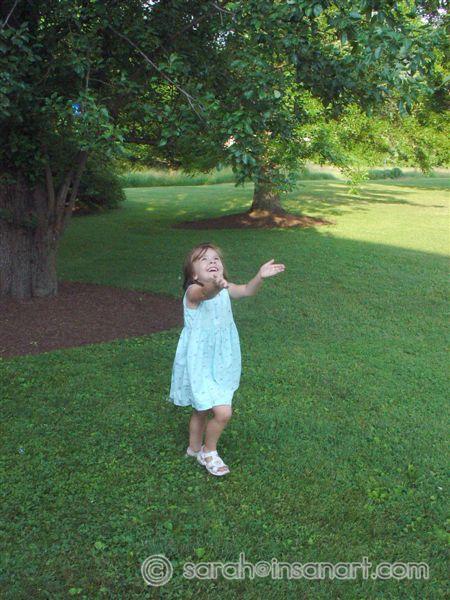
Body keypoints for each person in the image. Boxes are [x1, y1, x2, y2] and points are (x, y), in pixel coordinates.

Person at [169, 242, 285, 476]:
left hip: (221, 361)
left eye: (215, 258)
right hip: (200, 362)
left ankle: (205, 450)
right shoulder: (193, 291)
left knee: (220, 411)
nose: (212, 261)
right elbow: (205, 293)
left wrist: (259, 276)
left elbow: (247, 290)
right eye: (204, 259)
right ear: (194, 274)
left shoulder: (225, 287)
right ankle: (198, 450)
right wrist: (215, 285)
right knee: (203, 409)